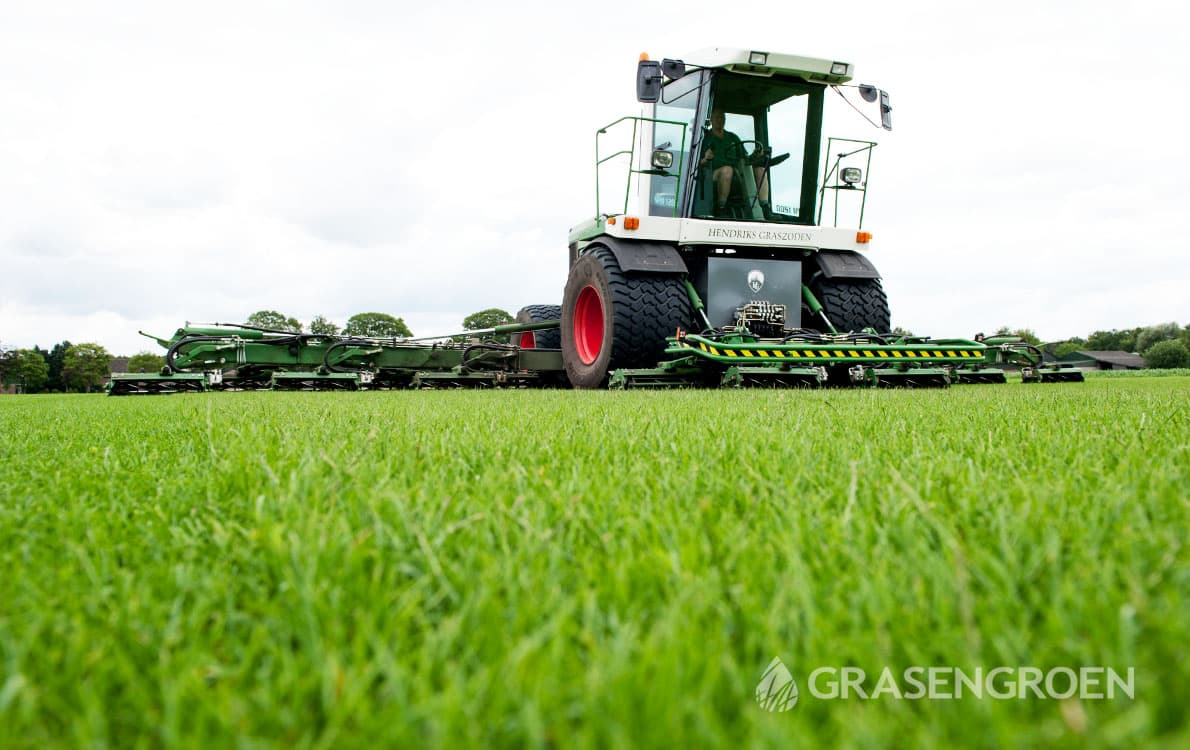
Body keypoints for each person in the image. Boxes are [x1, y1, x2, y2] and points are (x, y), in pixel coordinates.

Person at [699, 109, 771, 215]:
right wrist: (706, 158)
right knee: (727, 170)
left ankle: (765, 209)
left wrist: (756, 154)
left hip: (736, 174)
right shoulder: (705, 138)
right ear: (711, 120)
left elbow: (744, 158)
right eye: (717, 117)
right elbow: (697, 164)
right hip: (711, 175)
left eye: (723, 118)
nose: (720, 120)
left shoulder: (732, 137)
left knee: (760, 170)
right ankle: (721, 208)